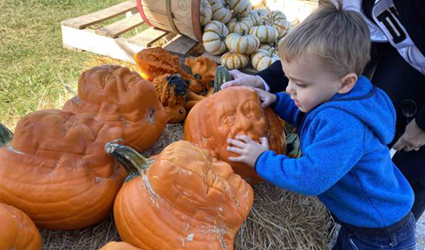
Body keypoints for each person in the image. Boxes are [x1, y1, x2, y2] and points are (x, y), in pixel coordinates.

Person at [226, 2, 416, 249]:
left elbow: (309, 178)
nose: (288, 88)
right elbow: (312, 113)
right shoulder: (338, 96)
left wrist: (262, 160)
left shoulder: (345, 125)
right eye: (289, 80)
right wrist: (277, 100)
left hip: (380, 236)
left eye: (300, 84)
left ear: (345, 83)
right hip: (363, 223)